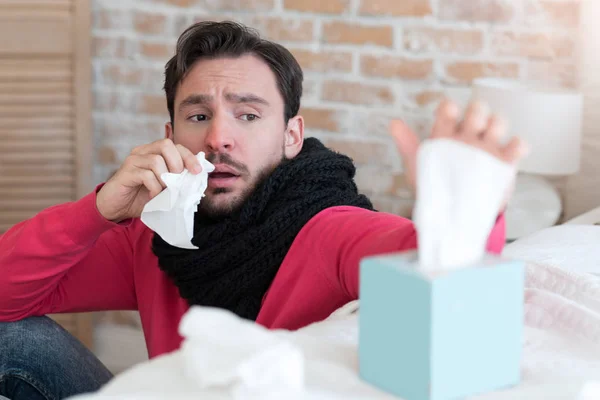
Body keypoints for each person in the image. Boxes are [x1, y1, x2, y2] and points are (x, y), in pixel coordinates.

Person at [0, 20, 525, 400]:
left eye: (248, 115)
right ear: (170, 136)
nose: (218, 138)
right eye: (198, 115)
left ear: (291, 135)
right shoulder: (155, 233)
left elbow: (432, 272)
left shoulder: (328, 229)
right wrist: (97, 212)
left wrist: (464, 218)